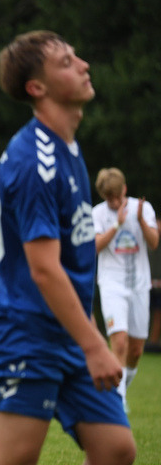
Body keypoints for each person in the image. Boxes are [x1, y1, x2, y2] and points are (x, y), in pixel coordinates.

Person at [0, 31, 135, 465]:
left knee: (114, 451)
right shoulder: (35, 157)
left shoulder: (67, 147)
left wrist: (83, 337)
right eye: (68, 61)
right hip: (24, 334)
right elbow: (43, 267)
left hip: (62, 333)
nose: (83, 64)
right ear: (38, 87)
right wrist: (94, 343)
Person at [91, 167, 158, 412]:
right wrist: (116, 226)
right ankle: (116, 404)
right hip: (112, 285)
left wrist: (139, 220)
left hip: (140, 285)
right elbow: (94, 247)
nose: (115, 202)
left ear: (125, 190)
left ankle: (121, 390)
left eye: (118, 196)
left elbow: (153, 242)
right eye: (110, 198)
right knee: (119, 344)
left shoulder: (144, 208)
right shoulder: (97, 213)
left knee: (136, 351)